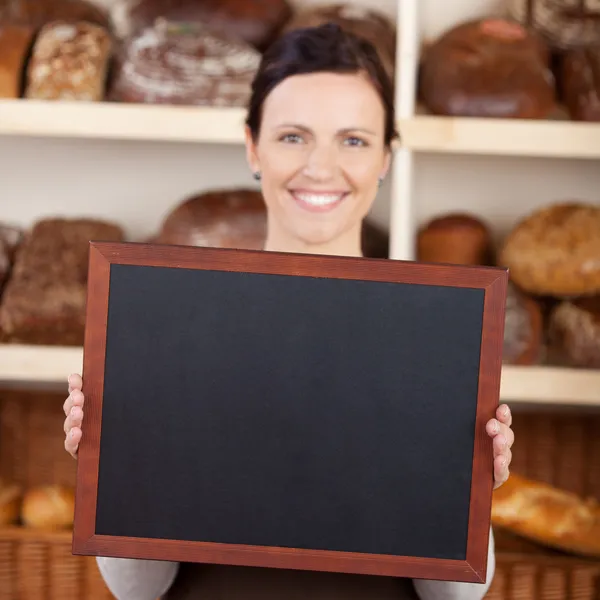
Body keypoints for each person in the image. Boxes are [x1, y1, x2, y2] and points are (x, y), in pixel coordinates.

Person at [63, 23, 514, 600]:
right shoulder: (177, 324)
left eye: (353, 140)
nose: (321, 168)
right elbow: (140, 591)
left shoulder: (437, 337)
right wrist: (110, 470)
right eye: (293, 137)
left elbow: (450, 597)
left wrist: (468, 493)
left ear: (385, 157)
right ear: (253, 146)